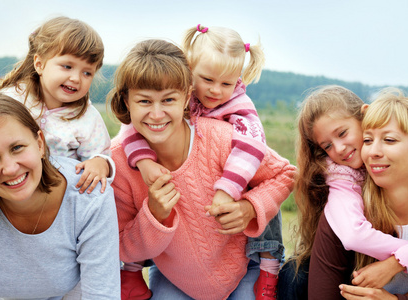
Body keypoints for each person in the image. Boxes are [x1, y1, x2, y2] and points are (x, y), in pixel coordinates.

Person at [109, 39, 296, 300]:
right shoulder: (119, 161)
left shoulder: (220, 137)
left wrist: (250, 208)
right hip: (175, 279)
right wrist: (153, 214)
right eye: (144, 101)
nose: (157, 113)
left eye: (168, 100)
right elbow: (121, 246)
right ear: (126, 101)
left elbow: (285, 174)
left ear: (187, 95)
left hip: (243, 271)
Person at [0, 93, 120, 299]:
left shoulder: (89, 194)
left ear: (40, 143)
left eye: (17, 148)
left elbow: (102, 294)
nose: (11, 169)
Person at [278, 86, 408, 299]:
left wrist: (395, 264)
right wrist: (403, 256)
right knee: (295, 275)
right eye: (327, 146)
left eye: (342, 133)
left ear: (365, 116)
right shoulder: (343, 183)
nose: (339, 149)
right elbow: (353, 236)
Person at [0, 16, 114, 195]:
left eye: (87, 72)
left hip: (61, 197)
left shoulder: (87, 117)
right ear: (39, 64)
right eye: (67, 66)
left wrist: (100, 162)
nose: (76, 78)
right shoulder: (12, 100)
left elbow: (100, 154)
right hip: (10, 185)